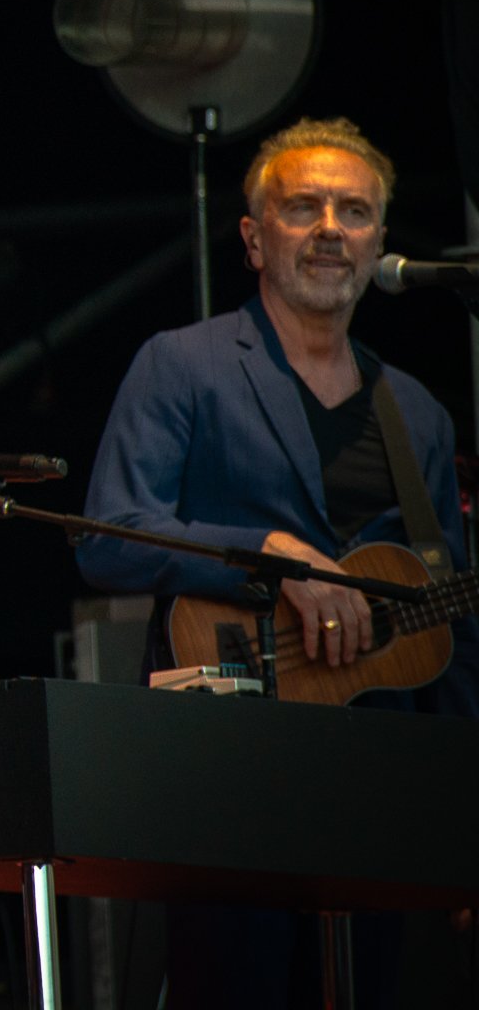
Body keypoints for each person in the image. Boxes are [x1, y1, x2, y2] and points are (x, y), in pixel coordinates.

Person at [77, 115, 479, 1008]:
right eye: (304, 207)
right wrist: (266, 557)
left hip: (377, 786)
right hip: (227, 761)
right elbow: (108, 535)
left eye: (354, 211)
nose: (331, 228)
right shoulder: (182, 365)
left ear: (379, 241)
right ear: (255, 239)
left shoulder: (418, 413)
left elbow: (453, 629)